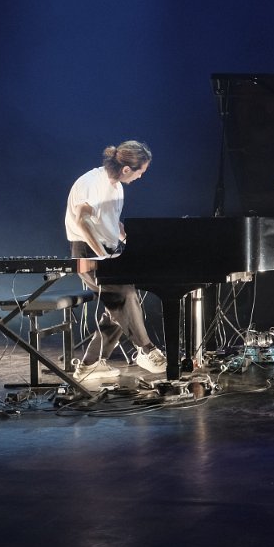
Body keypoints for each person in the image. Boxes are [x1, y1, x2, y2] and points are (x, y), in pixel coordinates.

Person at [64, 141, 167, 384]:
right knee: (125, 295)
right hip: (88, 252)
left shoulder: (117, 186)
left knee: (118, 309)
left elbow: (112, 223)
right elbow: (81, 221)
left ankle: (90, 364)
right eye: (141, 171)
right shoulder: (93, 183)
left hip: (107, 251)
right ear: (127, 169)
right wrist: (101, 254)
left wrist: (131, 241)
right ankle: (146, 349)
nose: (141, 176)